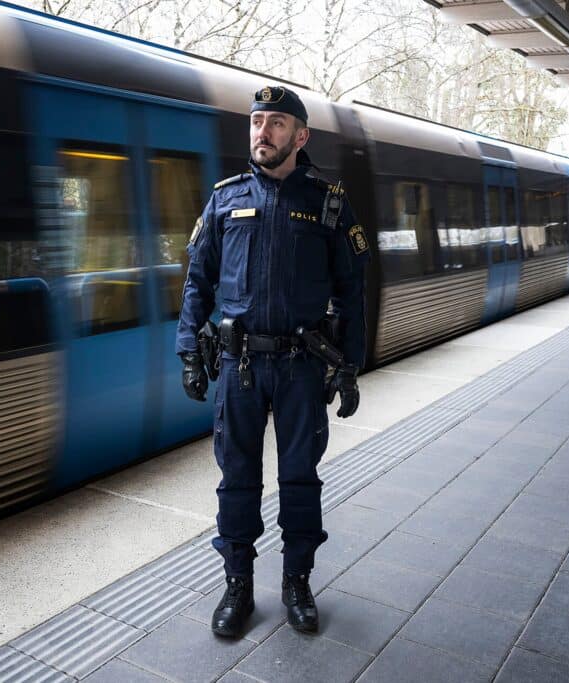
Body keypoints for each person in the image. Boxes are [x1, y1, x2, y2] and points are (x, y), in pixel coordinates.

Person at [176, 85, 370, 637]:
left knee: (299, 478)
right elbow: (197, 282)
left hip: (301, 367)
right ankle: (237, 584)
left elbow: (351, 289)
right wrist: (190, 349)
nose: (264, 131)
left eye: (277, 123)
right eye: (258, 121)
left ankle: (297, 582)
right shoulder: (225, 198)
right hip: (238, 366)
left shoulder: (329, 202)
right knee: (236, 479)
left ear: (300, 136)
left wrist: (350, 365)